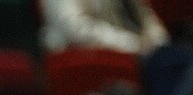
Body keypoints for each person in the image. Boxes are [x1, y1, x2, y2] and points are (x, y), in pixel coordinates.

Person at [39, 0, 170, 55]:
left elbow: (147, 18)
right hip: (91, 61)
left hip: (142, 55)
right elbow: (74, 29)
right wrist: (132, 44)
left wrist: (159, 44)